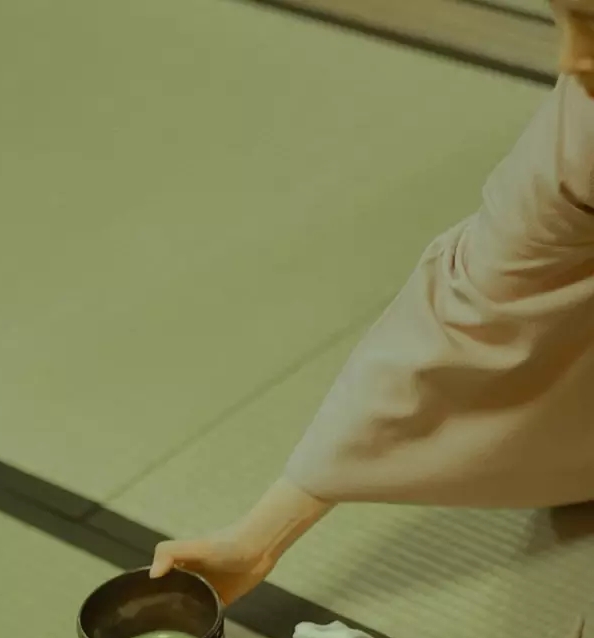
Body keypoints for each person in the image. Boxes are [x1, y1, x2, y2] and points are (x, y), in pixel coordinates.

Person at [151, 2, 594, 605]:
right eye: (562, 17)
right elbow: (468, 312)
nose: (570, 58)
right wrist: (260, 537)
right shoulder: (579, 135)